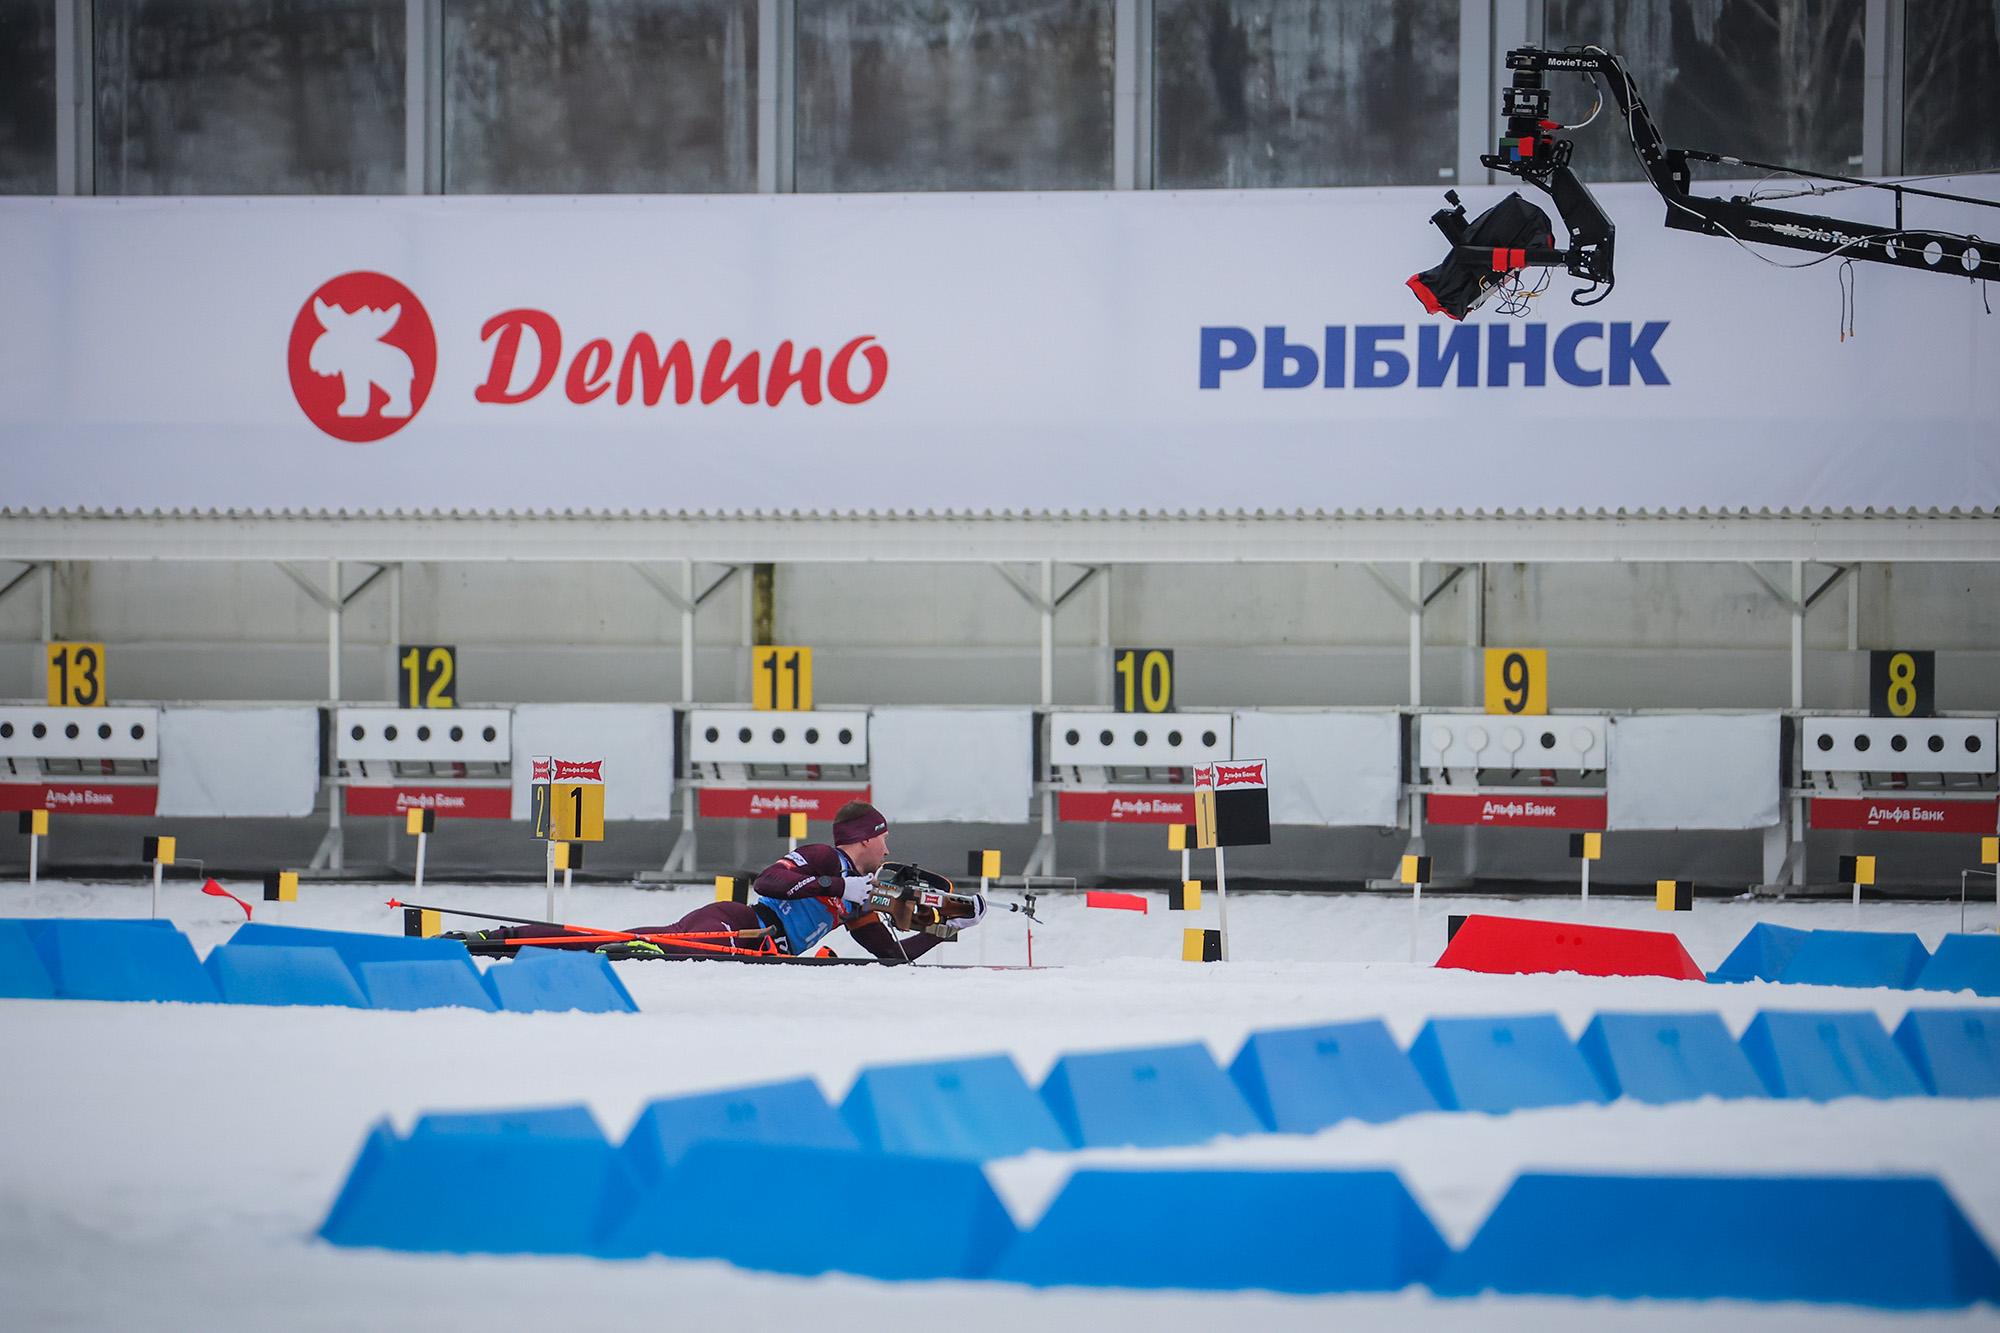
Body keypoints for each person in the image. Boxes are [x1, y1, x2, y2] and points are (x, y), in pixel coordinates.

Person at [451, 801, 980, 963]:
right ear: (866, 839)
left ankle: (503, 941)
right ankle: (495, 940)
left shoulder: (863, 899)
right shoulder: (824, 857)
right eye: (884, 841)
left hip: (757, 947)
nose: (888, 852)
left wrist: (945, 927)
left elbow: (891, 958)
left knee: (625, 943)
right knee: (624, 945)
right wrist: (839, 888)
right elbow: (769, 884)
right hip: (735, 925)